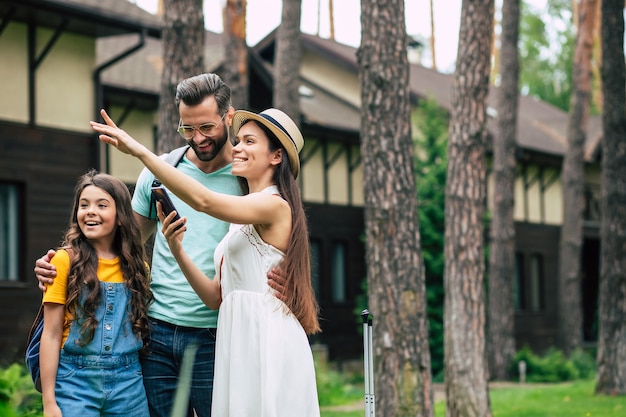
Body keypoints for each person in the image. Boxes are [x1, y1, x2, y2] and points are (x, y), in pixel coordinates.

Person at [35, 73, 282, 417]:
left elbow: (276, 238)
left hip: (218, 334)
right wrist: (61, 262)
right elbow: (120, 244)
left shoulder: (249, 180)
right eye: (188, 129)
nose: (198, 138)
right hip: (158, 334)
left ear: (229, 116)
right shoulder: (162, 171)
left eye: (207, 127)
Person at [91, 107, 321, 416]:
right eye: (238, 141)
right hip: (237, 336)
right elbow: (214, 297)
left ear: (276, 156)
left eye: (249, 142)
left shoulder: (274, 205)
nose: (237, 148)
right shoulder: (239, 223)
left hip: (266, 338)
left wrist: (141, 153)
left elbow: (204, 201)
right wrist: (177, 248)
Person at [40, 170, 153, 417]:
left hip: (129, 383)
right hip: (74, 381)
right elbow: (50, 333)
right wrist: (49, 401)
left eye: (102, 205)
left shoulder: (137, 268)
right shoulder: (63, 261)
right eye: (84, 205)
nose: (90, 211)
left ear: (121, 216)